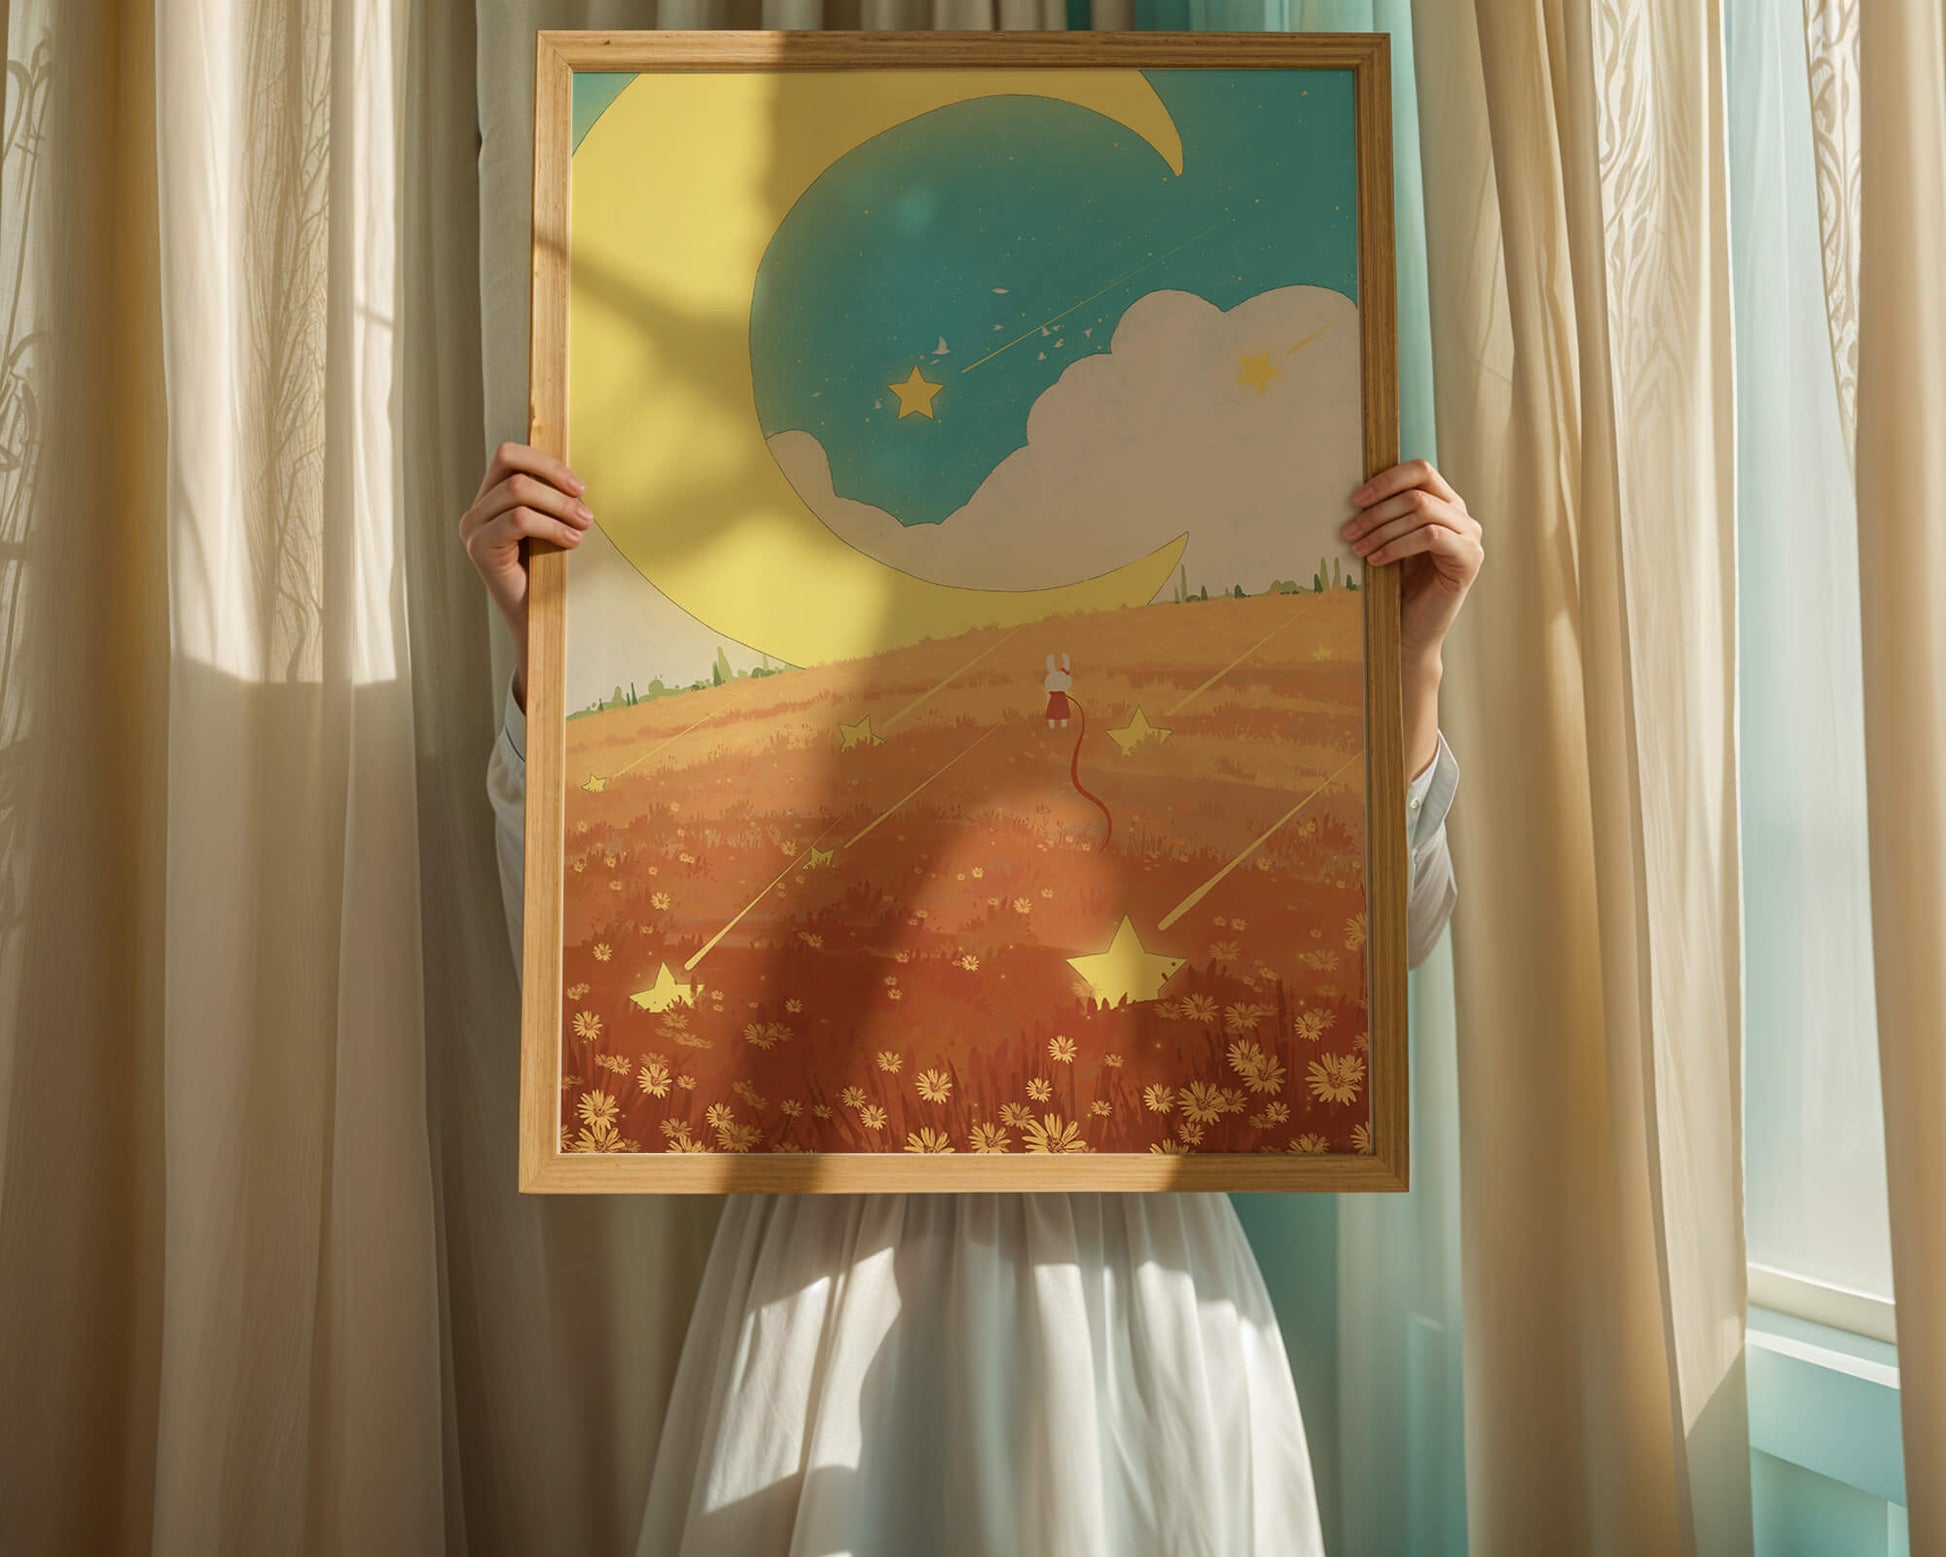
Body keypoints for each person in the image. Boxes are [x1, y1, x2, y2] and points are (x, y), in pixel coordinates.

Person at [463, 445, 1481, 1555]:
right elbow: (592, 956)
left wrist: (1407, 661)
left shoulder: (1126, 758)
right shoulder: (808, 741)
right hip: (833, 1269)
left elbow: (1383, 946)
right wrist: (553, 644)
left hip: (1130, 1269)